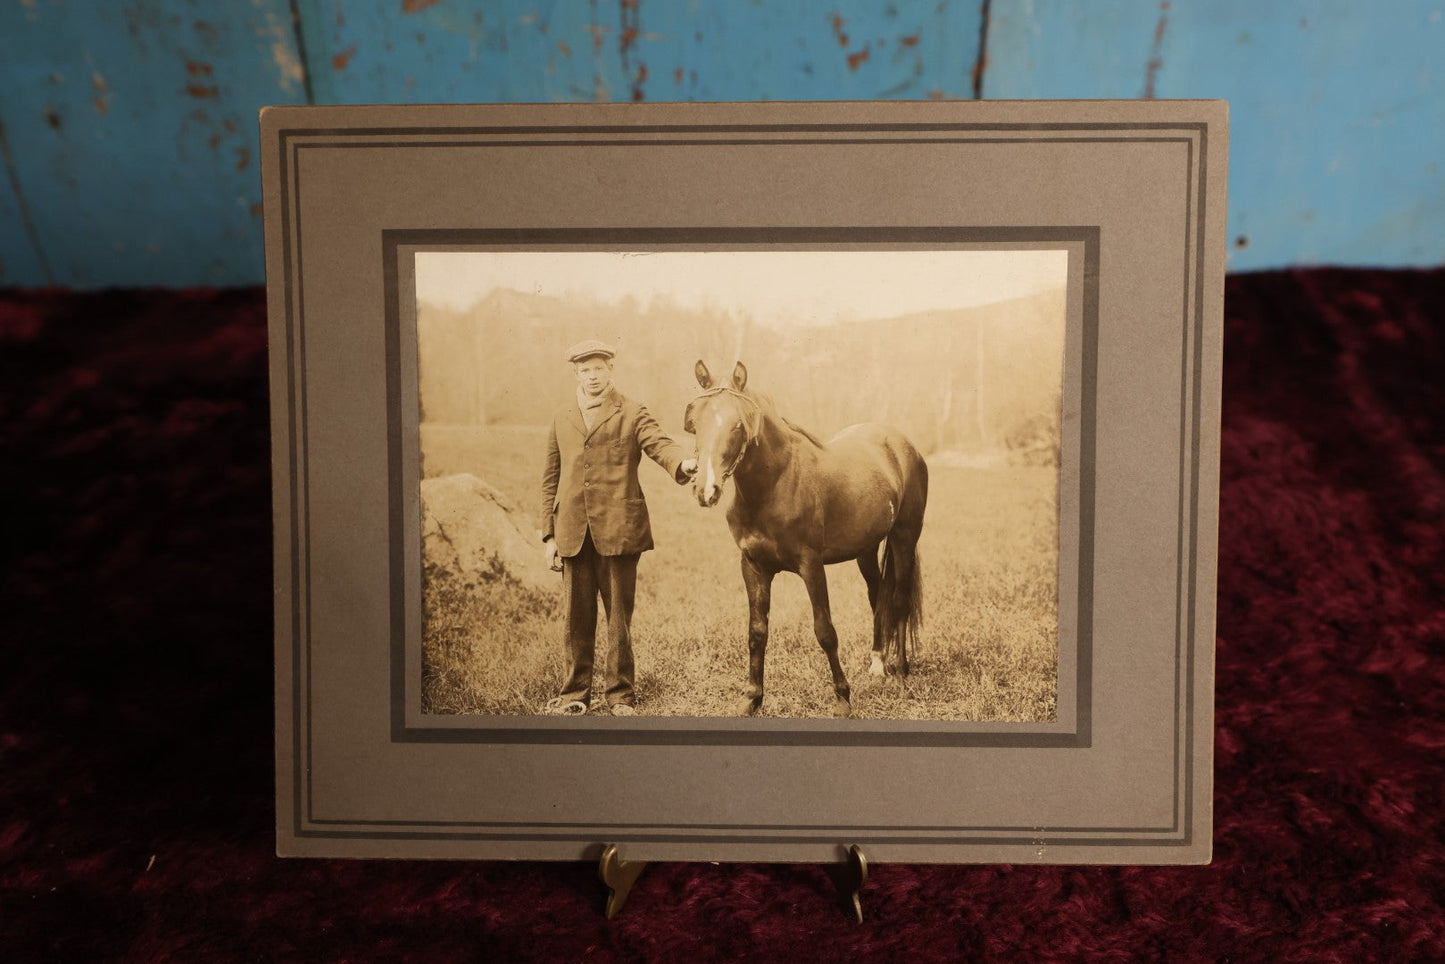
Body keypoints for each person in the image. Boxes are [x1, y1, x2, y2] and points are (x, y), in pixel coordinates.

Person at [538, 340, 697, 715]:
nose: (592, 377)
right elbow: (550, 478)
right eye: (584, 370)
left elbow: (659, 443)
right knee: (575, 619)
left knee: (618, 620)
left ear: (610, 370)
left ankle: (620, 696)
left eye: (598, 369)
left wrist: (683, 464)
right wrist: (549, 535)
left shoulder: (632, 411)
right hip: (573, 531)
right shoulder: (562, 416)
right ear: (576, 374)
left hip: (620, 530)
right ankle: (574, 695)